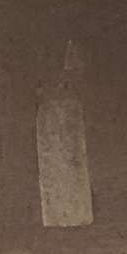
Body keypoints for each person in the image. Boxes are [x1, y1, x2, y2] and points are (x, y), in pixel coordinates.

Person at [37, 35, 95, 235]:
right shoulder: (44, 48)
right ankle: (55, 225)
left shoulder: (72, 47)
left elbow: (76, 76)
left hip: (68, 115)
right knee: (53, 171)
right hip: (51, 114)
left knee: (72, 168)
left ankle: (72, 225)